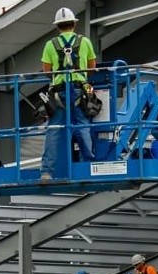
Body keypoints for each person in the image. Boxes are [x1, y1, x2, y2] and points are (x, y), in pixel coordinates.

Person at [40, 7, 97, 180]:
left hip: (58, 94)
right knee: (82, 126)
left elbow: (47, 71)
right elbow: (92, 67)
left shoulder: (50, 45)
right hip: (81, 90)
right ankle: (88, 165)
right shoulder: (85, 41)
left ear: (58, 27)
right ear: (73, 24)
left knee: (54, 130)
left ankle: (47, 172)